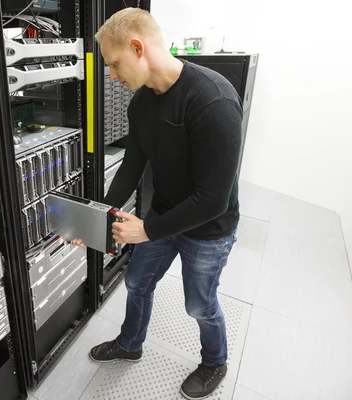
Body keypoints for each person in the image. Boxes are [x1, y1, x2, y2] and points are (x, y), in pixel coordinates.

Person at [73, 7, 242, 400]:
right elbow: (132, 167)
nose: (112, 76)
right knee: (135, 282)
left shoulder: (212, 100)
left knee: (199, 305)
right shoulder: (141, 104)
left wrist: (145, 229)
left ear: (137, 47)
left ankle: (215, 360)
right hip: (163, 214)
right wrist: (96, 217)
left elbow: (213, 199)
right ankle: (130, 344)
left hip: (208, 230)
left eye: (114, 64)